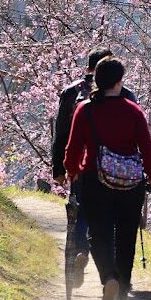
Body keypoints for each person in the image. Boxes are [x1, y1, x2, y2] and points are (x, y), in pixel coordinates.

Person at [64, 57, 151, 300]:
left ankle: (109, 278)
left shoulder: (84, 110)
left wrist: (71, 171)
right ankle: (123, 288)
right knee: (126, 234)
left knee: (99, 234)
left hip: (95, 179)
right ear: (120, 81)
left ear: (96, 80)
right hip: (131, 183)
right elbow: (148, 148)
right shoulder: (133, 110)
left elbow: (72, 148)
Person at [52, 48, 136, 286]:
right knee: (108, 218)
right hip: (117, 169)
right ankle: (111, 273)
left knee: (80, 211)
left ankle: (80, 251)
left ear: (88, 68)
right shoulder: (126, 94)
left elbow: (61, 135)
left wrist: (60, 168)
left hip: (82, 164)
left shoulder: (71, 93)